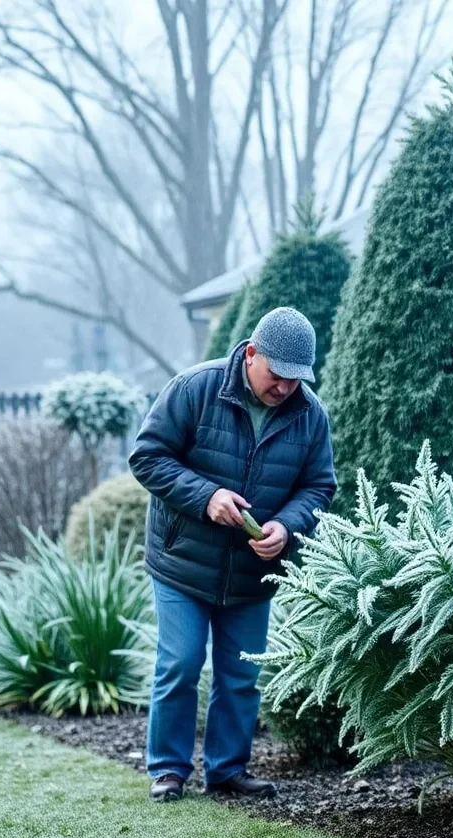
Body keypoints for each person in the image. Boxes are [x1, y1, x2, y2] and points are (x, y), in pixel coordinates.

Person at [129, 306, 336, 802]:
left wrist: (287, 526)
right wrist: (207, 497)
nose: (286, 388)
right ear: (250, 354)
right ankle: (169, 770)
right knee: (179, 663)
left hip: (252, 568)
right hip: (182, 560)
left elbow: (319, 486)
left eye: (296, 379)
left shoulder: (311, 414)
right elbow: (147, 457)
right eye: (277, 375)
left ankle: (226, 770)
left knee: (241, 674)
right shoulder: (194, 389)